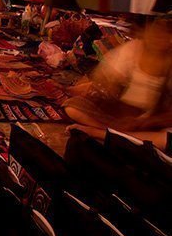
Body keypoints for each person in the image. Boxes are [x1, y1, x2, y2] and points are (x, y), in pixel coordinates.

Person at [64, 17, 172, 149]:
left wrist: (146, 121)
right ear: (146, 30)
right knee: (72, 107)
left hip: (150, 122)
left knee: (165, 138)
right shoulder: (134, 48)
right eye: (156, 30)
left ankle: (112, 134)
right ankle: (120, 134)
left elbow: (168, 114)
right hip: (120, 115)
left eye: (166, 32)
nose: (160, 36)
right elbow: (104, 77)